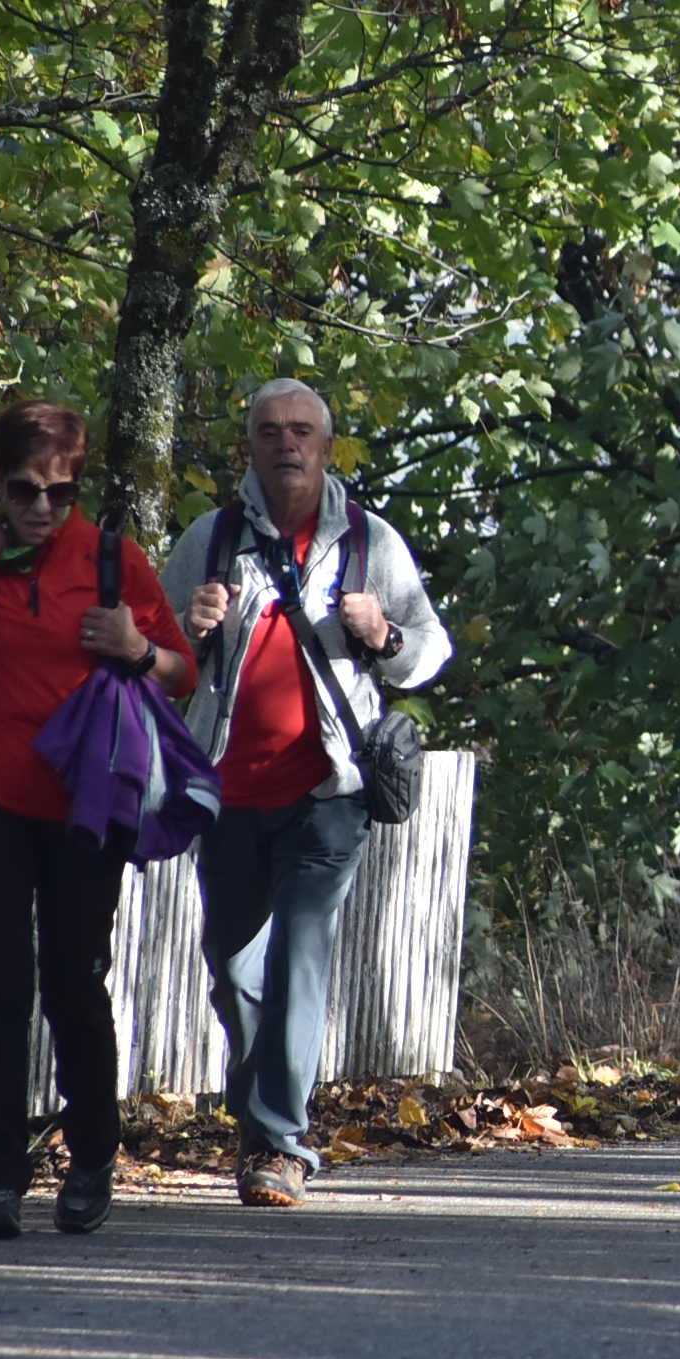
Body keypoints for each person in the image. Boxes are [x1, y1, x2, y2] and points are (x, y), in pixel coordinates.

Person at [165, 378, 452, 1203]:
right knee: (233, 970)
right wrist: (188, 627)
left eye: (301, 431)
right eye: (269, 431)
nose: (285, 443)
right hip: (226, 790)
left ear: (326, 447)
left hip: (332, 789)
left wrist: (383, 634)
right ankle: (265, 1135)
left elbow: (431, 650)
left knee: (299, 954)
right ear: (248, 446)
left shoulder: (372, 543)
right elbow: (154, 653)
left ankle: (282, 1144)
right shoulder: (211, 540)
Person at [0, 402, 196, 1241]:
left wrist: (136, 649)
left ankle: (92, 1156)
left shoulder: (110, 560)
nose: (43, 509)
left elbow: (182, 673)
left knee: (73, 980)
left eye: (62, 493)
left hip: (85, 809)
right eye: (27, 490)